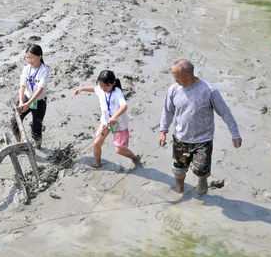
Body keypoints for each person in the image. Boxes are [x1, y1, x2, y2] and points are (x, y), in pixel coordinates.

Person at [159, 59, 243, 195]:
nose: (174, 79)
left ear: (188, 75)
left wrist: (235, 134)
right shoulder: (173, 90)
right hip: (181, 138)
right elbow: (168, 111)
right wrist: (163, 131)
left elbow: (225, 112)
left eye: (176, 76)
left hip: (202, 140)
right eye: (173, 76)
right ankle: (180, 189)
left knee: (201, 170)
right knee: (178, 169)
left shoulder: (208, 90)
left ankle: (202, 179)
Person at [74, 70, 140, 169]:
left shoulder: (117, 92)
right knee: (96, 143)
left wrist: (115, 116)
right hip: (106, 122)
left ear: (113, 83)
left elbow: (124, 106)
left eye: (106, 86)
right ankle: (97, 164)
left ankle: (135, 158)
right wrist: (82, 89)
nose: (103, 88)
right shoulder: (100, 89)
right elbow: (94, 89)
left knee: (119, 150)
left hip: (118, 124)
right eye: (101, 86)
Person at [10, 45, 50, 149]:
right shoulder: (26, 69)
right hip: (26, 99)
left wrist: (28, 104)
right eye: (27, 58)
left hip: (39, 101)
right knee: (15, 121)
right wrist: (21, 102)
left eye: (32, 58)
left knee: (36, 130)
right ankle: (18, 145)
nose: (29, 60)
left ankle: (38, 147)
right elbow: (22, 86)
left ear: (40, 56)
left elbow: (40, 90)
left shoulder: (44, 71)